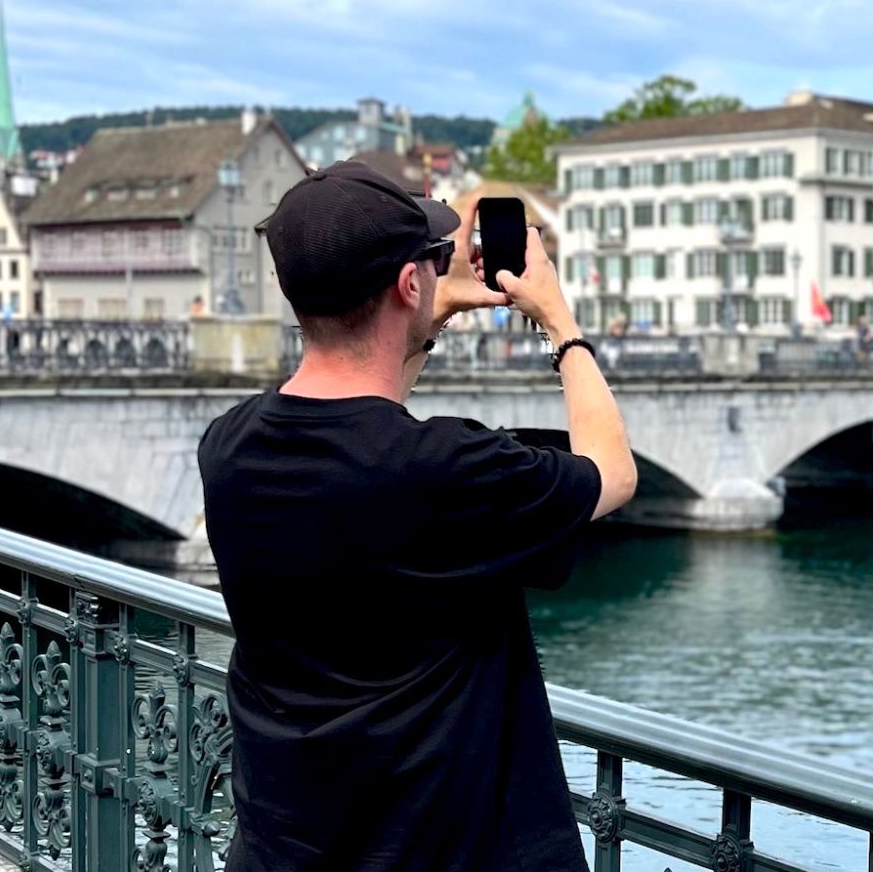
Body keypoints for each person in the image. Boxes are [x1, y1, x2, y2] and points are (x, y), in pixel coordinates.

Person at [198, 161, 638, 872]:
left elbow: (359, 421)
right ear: (408, 284)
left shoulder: (228, 447)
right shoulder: (447, 467)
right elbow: (611, 475)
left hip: (285, 848)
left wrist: (416, 320)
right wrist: (562, 324)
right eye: (429, 263)